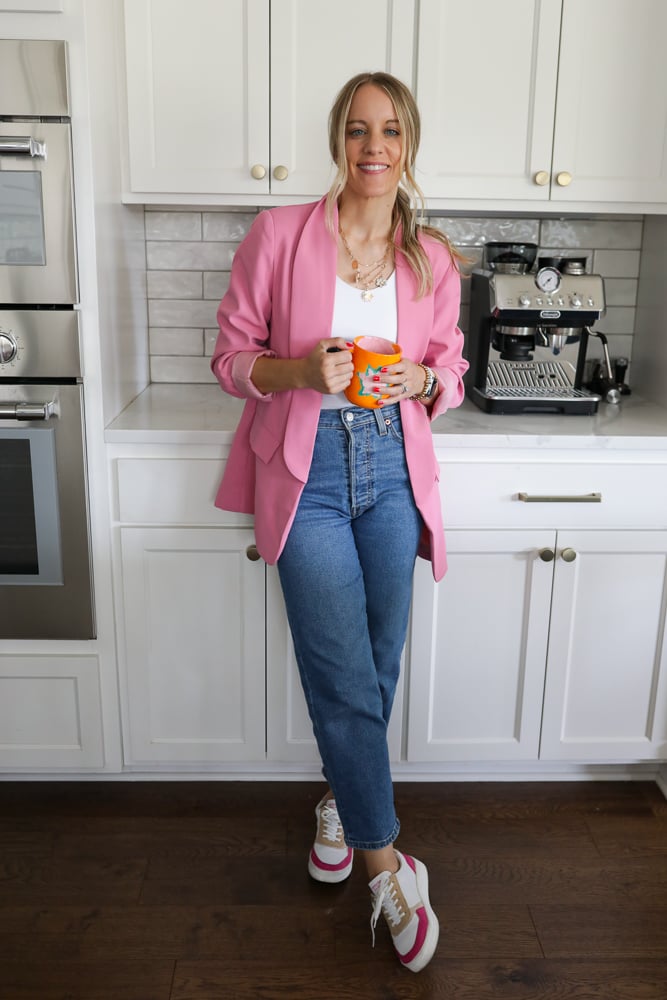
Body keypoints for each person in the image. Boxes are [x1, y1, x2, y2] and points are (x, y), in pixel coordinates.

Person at [211, 71, 468, 973]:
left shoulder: (431, 257)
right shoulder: (279, 235)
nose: (373, 147)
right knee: (339, 671)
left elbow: (451, 371)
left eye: (390, 131)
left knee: (377, 657)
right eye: (357, 130)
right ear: (336, 140)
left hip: (393, 470)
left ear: (408, 145)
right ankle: (386, 864)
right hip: (307, 471)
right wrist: (298, 374)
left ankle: (338, 799)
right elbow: (232, 356)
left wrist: (423, 382)